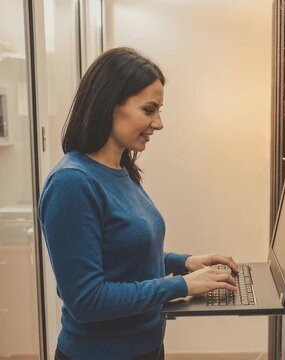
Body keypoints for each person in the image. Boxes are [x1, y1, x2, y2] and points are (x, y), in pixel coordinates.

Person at [38, 47, 239, 360]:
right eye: (149, 110)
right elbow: (87, 300)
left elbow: (120, 254)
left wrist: (182, 262)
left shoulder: (121, 170)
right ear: (109, 105)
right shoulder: (72, 183)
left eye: (159, 111)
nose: (158, 123)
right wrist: (181, 286)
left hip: (145, 347)